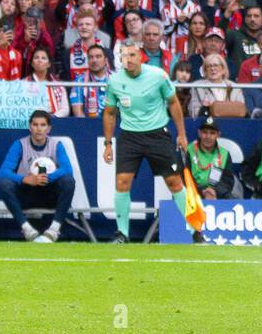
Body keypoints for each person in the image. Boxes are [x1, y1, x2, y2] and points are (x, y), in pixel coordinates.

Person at [102, 39, 190, 244]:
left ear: (141, 56)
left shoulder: (158, 76)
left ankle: (194, 230)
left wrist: (182, 134)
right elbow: (109, 113)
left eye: (132, 55)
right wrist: (108, 143)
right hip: (129, 137)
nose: (128, 60)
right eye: (124, 56)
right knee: (122, 182)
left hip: (157, 134)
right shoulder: (114, 81)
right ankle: (122, 234)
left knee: (174, 182)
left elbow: (174, 102)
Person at [0, 108, 75, 242]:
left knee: (68, 181)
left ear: (49, 128)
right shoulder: (19, 144)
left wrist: (47, 178)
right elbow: (3, 172)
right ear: (29, 127)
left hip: (49, 194)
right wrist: (26, 179)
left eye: (43, 125)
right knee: (4, 183)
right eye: (35, 124)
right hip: (27, 194)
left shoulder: (56, 145)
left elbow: (67, 169)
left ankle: (54, 229)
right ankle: (27, 229)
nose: (39, 129)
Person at [185, 115, 238, 201]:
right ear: (199, 133)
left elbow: (228, 182)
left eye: (212, 133)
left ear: (218, 135)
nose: (208, 137)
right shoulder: (189, 151)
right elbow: (184, 178)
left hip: (217, 194)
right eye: (205, 132)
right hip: (194, 194)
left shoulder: (224, 154)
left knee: (232, 200)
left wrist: (214, 191)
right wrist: (203, 191)